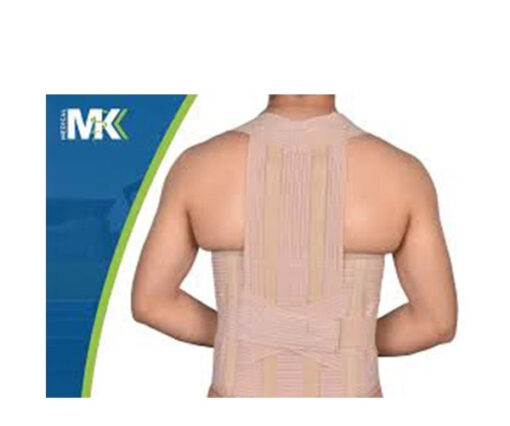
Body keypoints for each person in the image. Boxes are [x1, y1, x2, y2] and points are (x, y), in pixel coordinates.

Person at [131, 95, 457, 397]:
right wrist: (344, 338)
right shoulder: (401, 173)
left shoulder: (197, 166)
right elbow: (436, 323)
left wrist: (245, 332)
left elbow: (152, 303)